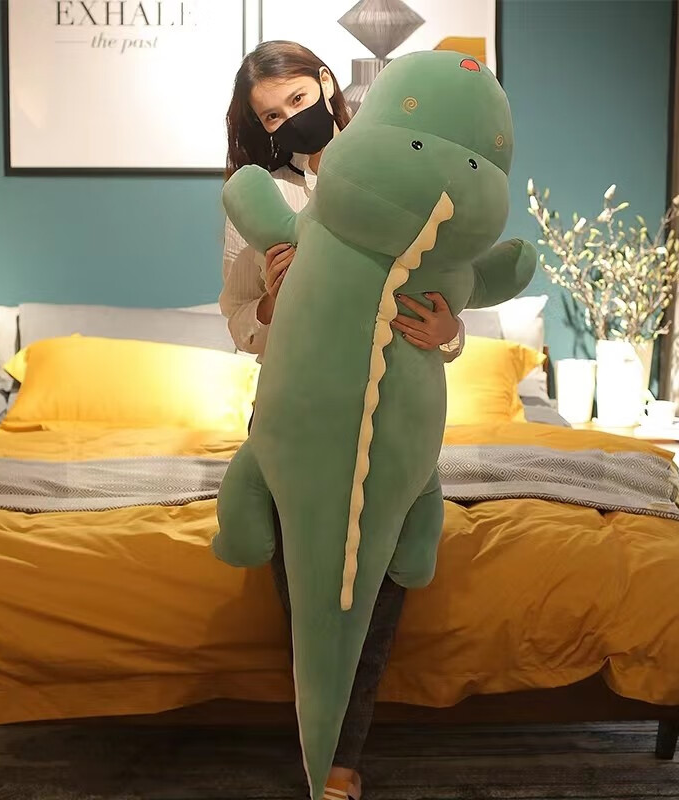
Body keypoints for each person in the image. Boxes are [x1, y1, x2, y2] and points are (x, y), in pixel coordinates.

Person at [219, 40, 465, 800]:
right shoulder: (261, 198)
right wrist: (273, 299)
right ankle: (322, 753)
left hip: (391, 413)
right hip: (299, 417)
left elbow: (446, 294)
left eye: (296, 100)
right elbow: (239, 323)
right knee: (307, 585)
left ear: (327, 84)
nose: (289, 120)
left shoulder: (402, 174)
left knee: (380, 583)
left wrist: (449, 330)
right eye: (271, 117)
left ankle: (340, 759)